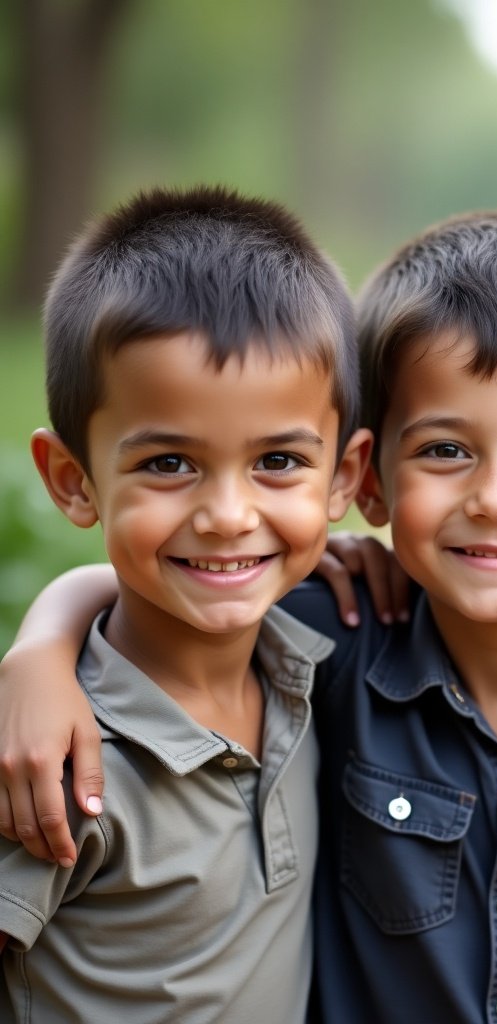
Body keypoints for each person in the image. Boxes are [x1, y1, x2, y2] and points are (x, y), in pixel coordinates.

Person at [0, 211, 497, 1023]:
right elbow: (164, 592)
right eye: (445, 450)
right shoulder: (328, 646)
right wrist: (42, 650)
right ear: (370, 484)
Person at [0, 186, 374, 1021]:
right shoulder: (52, 766)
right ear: (73, 481)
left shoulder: (315, 667)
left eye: (279, 462)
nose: (230, 516)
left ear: (344, 478)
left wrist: (45, 635)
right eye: (169, 464)